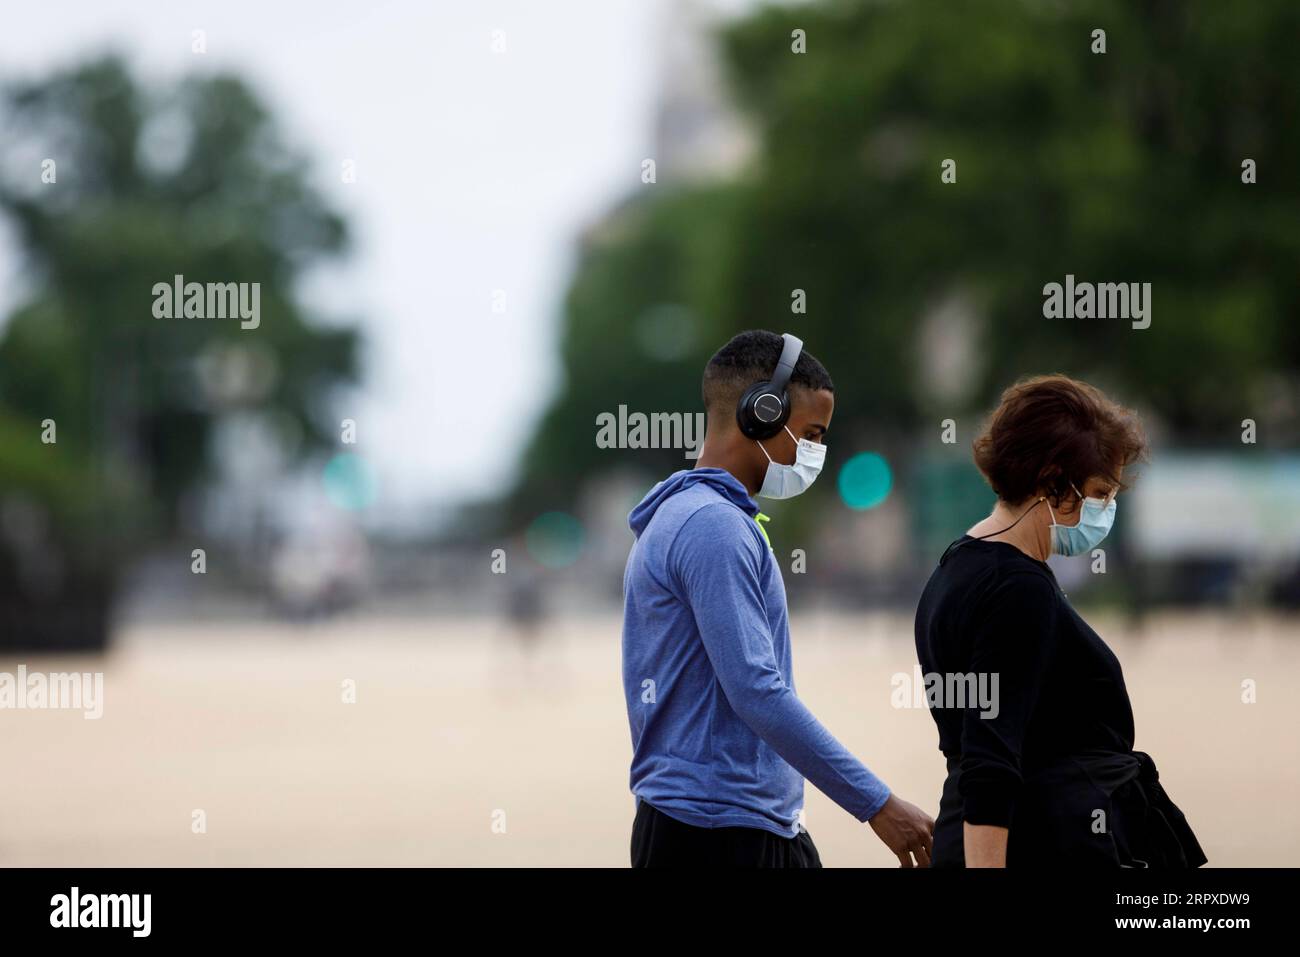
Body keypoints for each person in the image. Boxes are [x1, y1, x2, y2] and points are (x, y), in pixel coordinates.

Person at [622, 330, 934, 868]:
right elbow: (757, 691)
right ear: (760, 413)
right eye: (811, 433)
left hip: (730, 823)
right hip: (718, 835)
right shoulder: (713, 527)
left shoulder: (691, 515)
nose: (816, 453)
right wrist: (878, 804)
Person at [914, 374, 1206, 868]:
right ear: (1052, 481)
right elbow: (990, 756)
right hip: (1037, 840)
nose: (1105, 510)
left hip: (982, 829)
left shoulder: (955, 566)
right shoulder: (1017, 588)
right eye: (1099, 492)